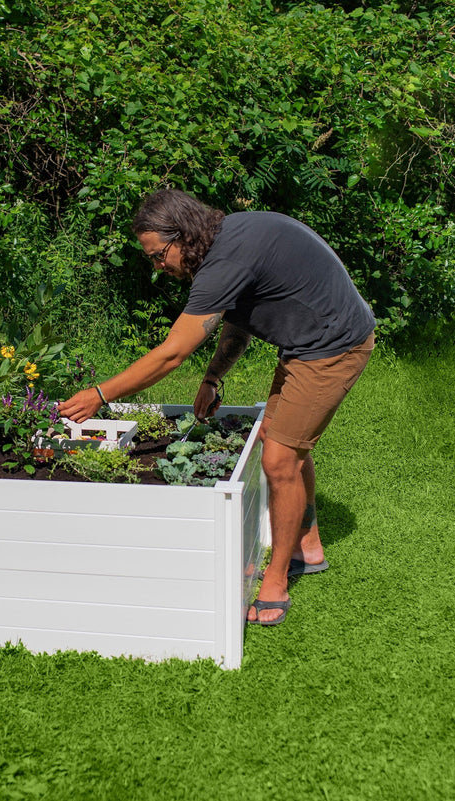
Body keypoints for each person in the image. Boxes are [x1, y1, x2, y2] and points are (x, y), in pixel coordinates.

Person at [57, 188, 376, 626]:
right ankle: (308, 544)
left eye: (158, 255)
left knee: (280, 458)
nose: (158, 267)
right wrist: (212, 377)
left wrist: (100, 394)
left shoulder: (225, 260)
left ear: (181, 236)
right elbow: (238, 325)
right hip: (306, 342)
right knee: (278, 439)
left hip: (333, 346)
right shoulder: (227, 241)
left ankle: (277, 580)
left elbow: (172, 353)